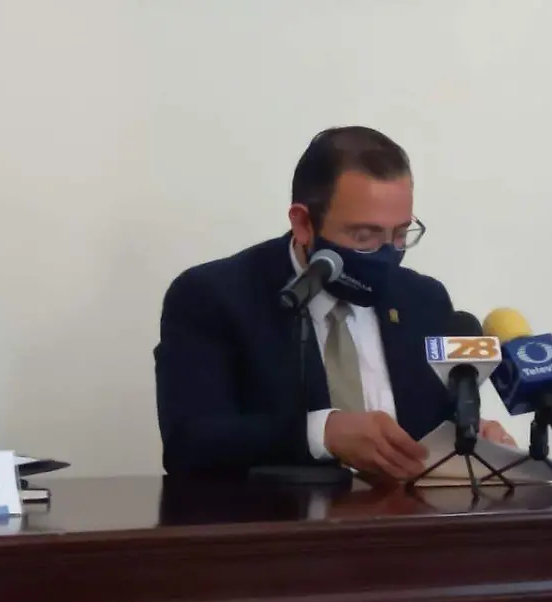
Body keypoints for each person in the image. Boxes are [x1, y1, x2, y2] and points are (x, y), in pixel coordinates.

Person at [154, 126, 513, 480]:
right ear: (303, 224)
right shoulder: (214, 296)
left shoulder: (424, 300)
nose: (387, 254)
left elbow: (434, 428)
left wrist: (470, 436)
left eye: (400, 234)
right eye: (364, 235)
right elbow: (189, 443)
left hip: (406, 515)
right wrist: (323, 433)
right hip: (281, 517)